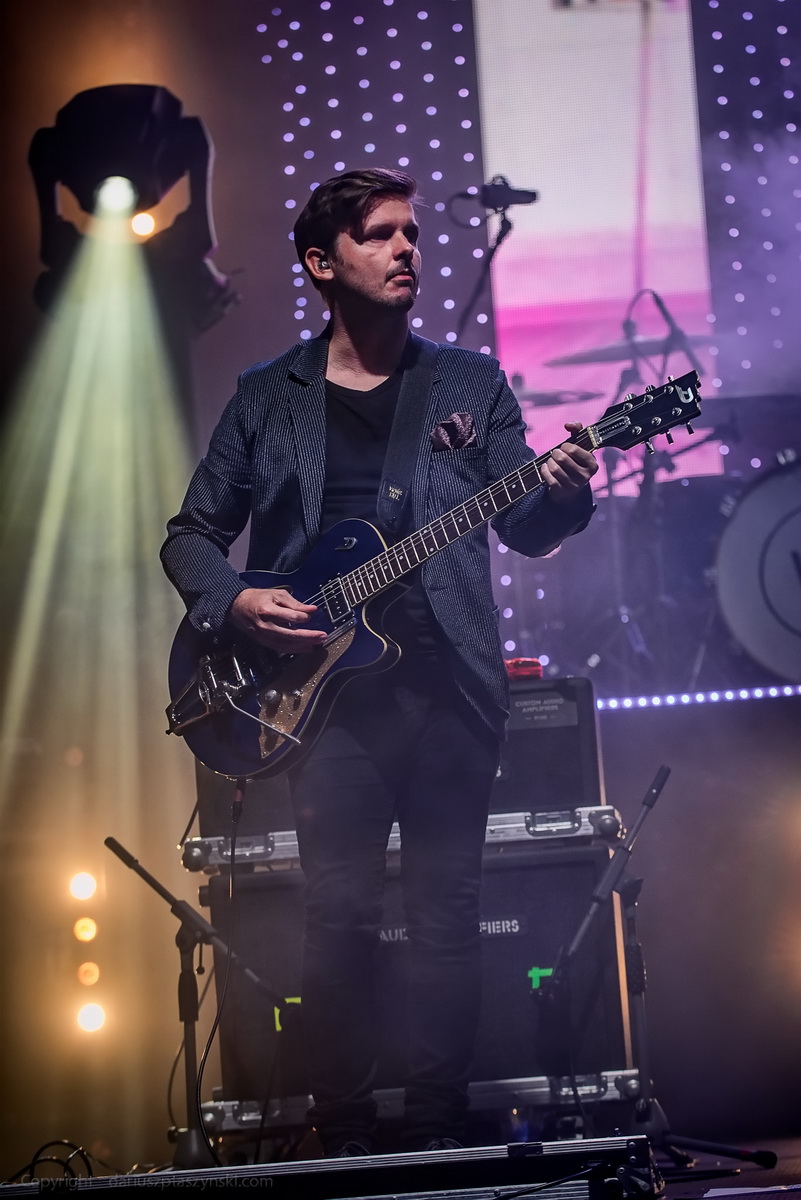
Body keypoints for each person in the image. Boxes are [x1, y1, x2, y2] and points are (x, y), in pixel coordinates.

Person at [161, 168, 598, 1157]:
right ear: (323, 263)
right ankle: (346, 1129)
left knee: (449, 914)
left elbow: (528, 527)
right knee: (340, 917)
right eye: (381, 234)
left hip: (450, 691)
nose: (407, 249)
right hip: (321, 704)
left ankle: (439, 1128)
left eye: (412, 233)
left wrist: (568, 491)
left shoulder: (469, 385)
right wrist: (236, 600)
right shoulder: (268, 396)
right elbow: (190, 535)